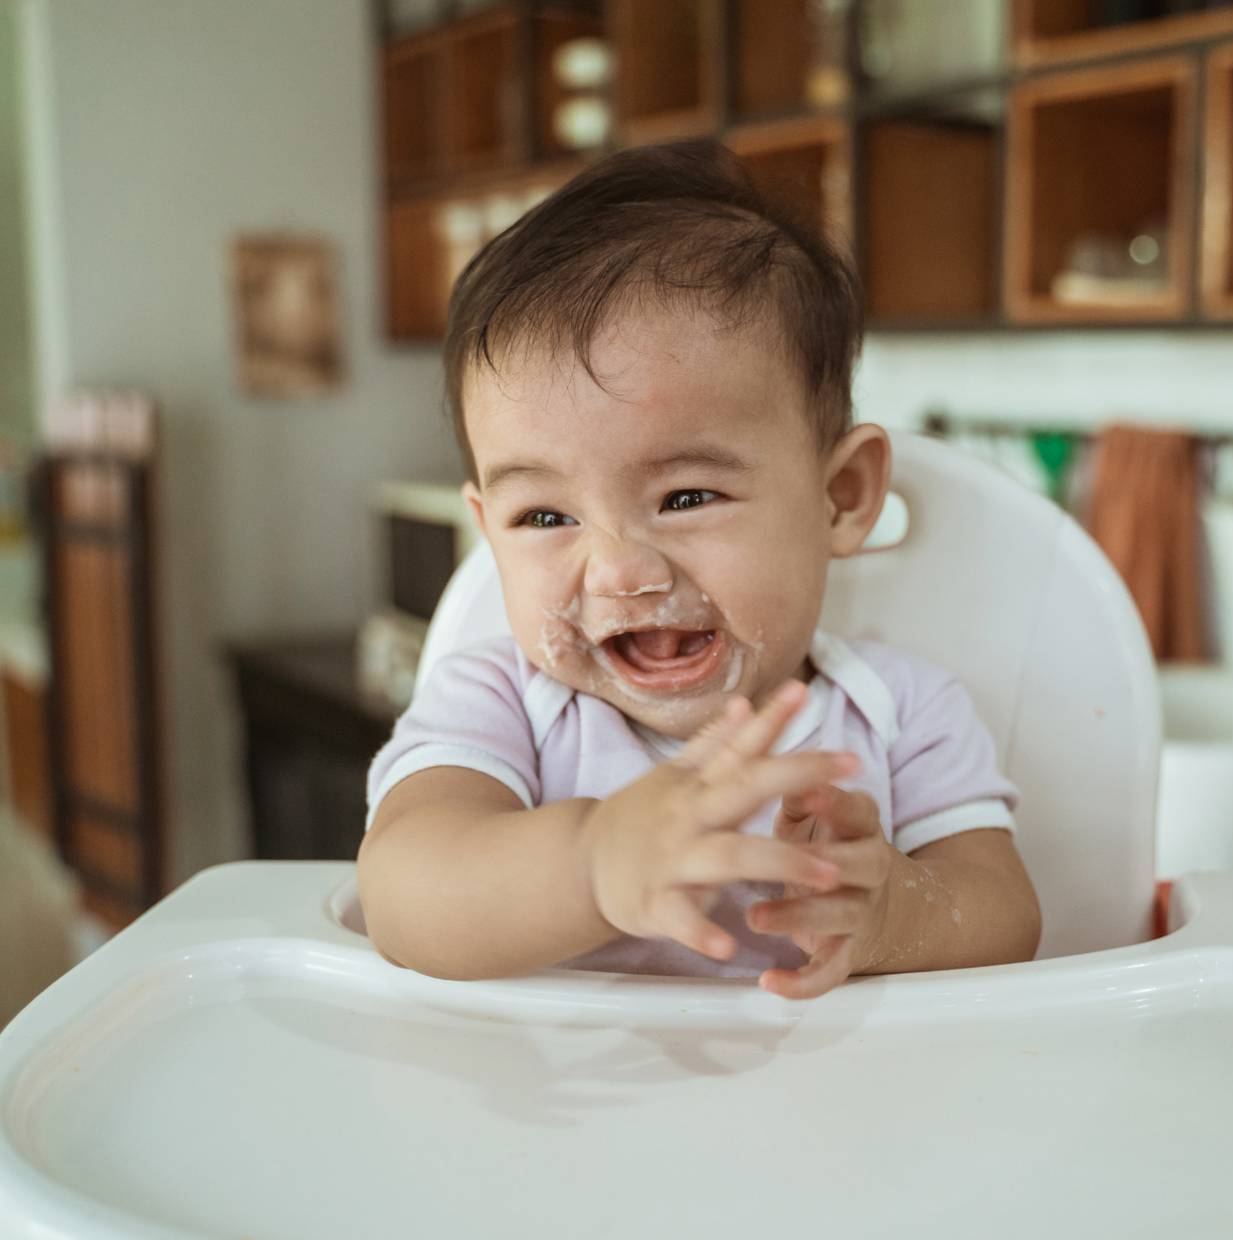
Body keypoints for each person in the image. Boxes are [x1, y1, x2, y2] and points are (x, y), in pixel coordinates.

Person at [359, 141, 1040, 999]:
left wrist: (893, 914)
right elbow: (403, 893)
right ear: (488, 530)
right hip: (560, 1117)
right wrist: (593, 864)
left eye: (685, 497)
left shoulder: (900, 715)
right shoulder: (500, 707)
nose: (618, 571)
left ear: (840, 496)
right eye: (544, 517)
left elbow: (1005, 912)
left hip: (835, 1116)